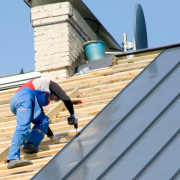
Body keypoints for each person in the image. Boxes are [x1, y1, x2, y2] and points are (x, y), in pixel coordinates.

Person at [7, 78, 78, 169]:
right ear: (53, 92)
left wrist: (52, 136)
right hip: (24, 98)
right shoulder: (50, 84)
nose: (56, 99)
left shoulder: (38, 95)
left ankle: (30, 145)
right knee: (23, 126)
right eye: (56, 97)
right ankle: (13, 158)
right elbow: (65, 98)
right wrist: (73, 114)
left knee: (43, 120)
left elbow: (41, 114)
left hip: (25, 99)